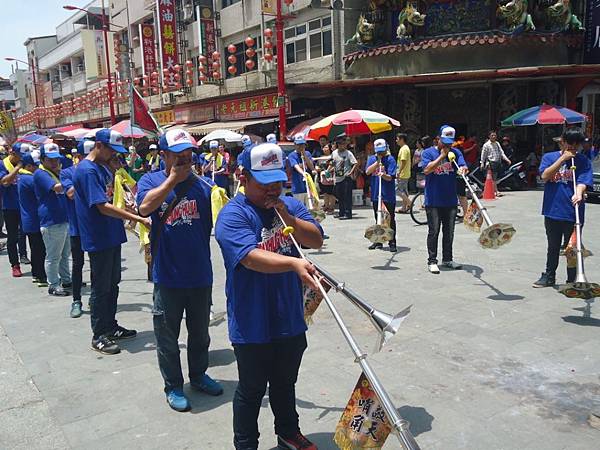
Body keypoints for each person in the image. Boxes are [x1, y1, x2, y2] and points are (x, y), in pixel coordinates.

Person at [215, 142, 323, 450]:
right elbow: (249, 257)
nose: (273, 190)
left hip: (289, 316)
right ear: (243, 177)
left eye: (278, 182)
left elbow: (314, 239)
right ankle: (246, 444)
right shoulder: (233, 215)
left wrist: (286, 216)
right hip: (252, 321)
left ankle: (288, 432)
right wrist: (292, 263)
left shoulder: (286, 205)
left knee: (285, 382)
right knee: (251, 389)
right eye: (265, 184)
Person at [137, 129, 223, 412]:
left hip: (200, 275)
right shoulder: (151, 181)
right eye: (178, 156)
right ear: (164, 156)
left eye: (189, 156)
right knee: (167, 337)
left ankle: (198, 375)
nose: (186, 161)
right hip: (168, 277)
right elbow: (144, 209)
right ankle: (173, 385)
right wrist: (173, 178)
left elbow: (224, 219)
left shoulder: (204, 186)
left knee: (199, 334)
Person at [74, 129, 149, 355]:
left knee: (112, 283)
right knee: (100, 287)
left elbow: (113, 197)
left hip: (111, 234)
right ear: (99, 145)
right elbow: (102, 206)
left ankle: (110, 325)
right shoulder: (87, 171)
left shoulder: (103, 168)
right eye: (111, 151)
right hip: (98, 236)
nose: (114, 156)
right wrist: (137, 218)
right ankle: (99, 334)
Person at [533, 129, 593, 288]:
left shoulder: (583, 161)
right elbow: (544, 176)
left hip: (573, 212)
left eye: (576, 144)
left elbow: (583, 181)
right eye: (570, 143)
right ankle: (549, 275)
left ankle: (572, 279)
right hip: (553, 210)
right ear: (563, 142)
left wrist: (579, 192)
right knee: (552, 246)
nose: (573, 147)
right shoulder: (549, 157)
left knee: (572, 248)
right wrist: (562, 159)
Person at [421, 125, 468, 274]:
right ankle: (432, 260)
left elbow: (463, 165)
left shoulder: (456, 152)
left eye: (450, 143)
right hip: (433, 200)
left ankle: (447, 259)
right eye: (445, 142)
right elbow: (426, 170)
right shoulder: (428, 153)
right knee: (434, 231)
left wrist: (463, 169)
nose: (448, 146)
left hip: (450, 200)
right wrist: (442, 156)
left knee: (449, 231)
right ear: (437, 139)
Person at [60, 139, 95, 318]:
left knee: (97, 266)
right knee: (78, 265)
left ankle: (94, 299)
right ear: (78, 157)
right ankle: (76, 300)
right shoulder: (67, 173)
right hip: (77, 229)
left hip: (95, 228)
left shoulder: (99, 171)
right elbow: (71, 194)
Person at [33, 144, 71, 297]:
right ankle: (53, 284)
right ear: (42, 160)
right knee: (54, 256)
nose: (55, 162)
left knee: (64, 254)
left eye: (56, 159)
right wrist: (73, 180)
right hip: (51, 220)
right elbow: (57, 188)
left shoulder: (55, 172)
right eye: (51, 160)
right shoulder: (41, 174)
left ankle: (66, 280)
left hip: (62, 218)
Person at [17, 151, 47, 287]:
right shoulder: (29, 179)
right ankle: (40, 275)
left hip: (29, 219)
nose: (37, 168)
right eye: (35, 166)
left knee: (36, 249)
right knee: (39, 250)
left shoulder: (22, 177)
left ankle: (36, 274)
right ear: (28, 166)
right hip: (34, 219)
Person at [0, 142, 29, 277]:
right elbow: (5, 182)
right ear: (12, 154)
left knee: (25, 233)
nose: (22, 159)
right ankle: (15, 264)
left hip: (24, 204)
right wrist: (17, 167)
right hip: (9, 206)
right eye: (20, 156)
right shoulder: (3, 165)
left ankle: (24, 255)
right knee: (12, 236)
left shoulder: (25, 164)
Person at [365, 138, 397, 252]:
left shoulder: (391, 159)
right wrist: (377, 163)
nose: (380, 153)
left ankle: (392, 241)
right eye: (378, 151)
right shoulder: (372, 159)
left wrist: (383, 174)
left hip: (387, 194)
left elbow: (391, 177)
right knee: (377, 217)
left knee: (389, 218)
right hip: (375, 194)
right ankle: (378, 241)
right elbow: (367, 172)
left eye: (382, 151)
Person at [332, 136, 358, 219]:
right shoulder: (334, 153)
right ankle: (341, 212)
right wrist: (329, 172)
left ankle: (348, 213)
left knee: (347, 196)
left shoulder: (348, 153)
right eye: (340, 144)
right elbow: (333, 163)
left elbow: (355, 163)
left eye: (343, 144)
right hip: (337, 177)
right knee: (339, 196)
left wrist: (350, 172)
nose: (342, 146)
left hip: (346, 177)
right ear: (337, 145)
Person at [287, 133, 315, 207]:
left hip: (308, 187)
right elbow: (296, 166)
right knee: (300, 208)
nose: (300, 147)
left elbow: (312, 167)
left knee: (310, 208)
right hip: (298, 188)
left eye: (302, 144)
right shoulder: (292, 155)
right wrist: (303, 174)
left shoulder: (308, 153)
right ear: (295, 145)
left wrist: (305, 155)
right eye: (298, 145)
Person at [480, 131, 511, 197]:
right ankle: (496, 191)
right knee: (493, 178)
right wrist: (482, 163)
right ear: (489, 136)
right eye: (492, 135)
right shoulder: (486, 145)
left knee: (495, 178)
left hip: (497, 163)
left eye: (495, 135)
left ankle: (493, 191)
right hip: (490, 163)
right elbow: (483, 155)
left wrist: (507, 159)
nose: (494, 137)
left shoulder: (497, 143)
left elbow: (501, 153)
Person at [316, 144, 335, 214]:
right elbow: (317, 165)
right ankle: (326, 206)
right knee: (325, 193)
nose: (324, 148)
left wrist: (328, 171)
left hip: (331, 178)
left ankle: (331, 207)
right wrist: (317, 169)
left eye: (326, 147)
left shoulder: (333, 157)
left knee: (332, 193)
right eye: (324, 147)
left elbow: (335, 165)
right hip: (322, 178)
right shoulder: (320, 157)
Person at [395, 133, 411, 213]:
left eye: (397, 139)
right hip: (405, 173)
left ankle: (409, 203)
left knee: (397, 190)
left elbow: (403, 161)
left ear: (402, 139)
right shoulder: (405, 148)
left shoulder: (404, 149)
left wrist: (399, 171)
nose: (396, 141)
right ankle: (404, 207)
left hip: (403, 173)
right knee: (404, 191)